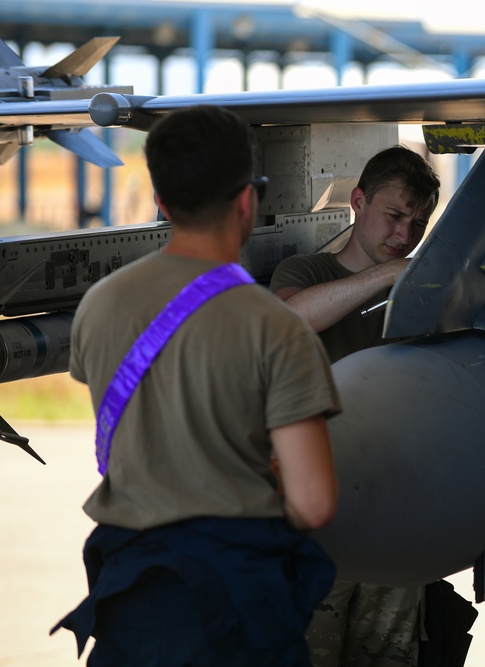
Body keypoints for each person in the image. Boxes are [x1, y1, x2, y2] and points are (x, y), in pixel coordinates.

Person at [51, 105, 342, 665]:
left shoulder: (100, 305)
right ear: (246, 199)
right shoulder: (275, 326)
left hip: (130, 603)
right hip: (237, 613)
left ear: (160, 201)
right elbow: (313, 503)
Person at [270, 145, 457, 667]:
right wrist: (386, 277)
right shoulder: (306, 271)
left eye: (418, 224)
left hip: (398, 515)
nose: (404, 235)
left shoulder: (423, 294)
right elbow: (287, 321)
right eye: (394, 216)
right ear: (358, 201)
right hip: (319, 521)